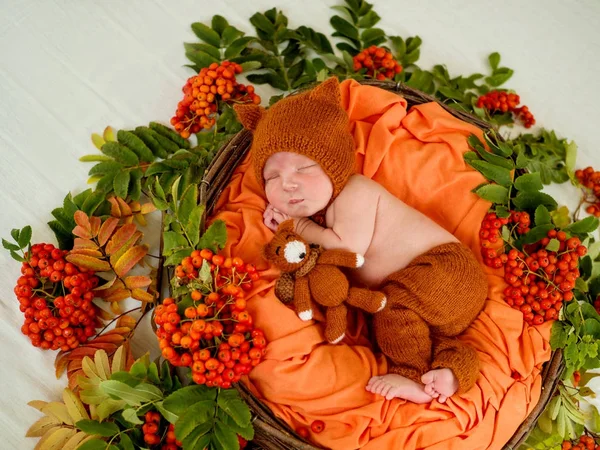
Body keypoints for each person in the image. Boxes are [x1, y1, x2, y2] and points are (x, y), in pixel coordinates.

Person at [233, 77, 488, 404]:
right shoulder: (317, 219)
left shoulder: (355, 192)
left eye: (305, 167)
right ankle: (451, 372)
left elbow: (346, 251)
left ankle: (409, 376)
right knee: (422, 335)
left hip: (447, 269)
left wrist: (295, 224)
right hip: (429, 300)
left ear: (333, 164)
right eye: (272, 178)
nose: (289, 185)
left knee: (390, 307)